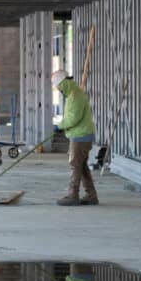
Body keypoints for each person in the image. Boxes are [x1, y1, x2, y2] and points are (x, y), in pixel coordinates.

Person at [52, 70, 98, 206]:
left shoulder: (75, 96)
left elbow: (73, 118)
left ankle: (73, 195)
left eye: (58, 86)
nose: (59, 90)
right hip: (81, 135)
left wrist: (60, 126)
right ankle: (91, 196)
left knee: (75, 165)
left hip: (80, 136)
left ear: (63, 83)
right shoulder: (74, 94)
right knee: (81, 166)